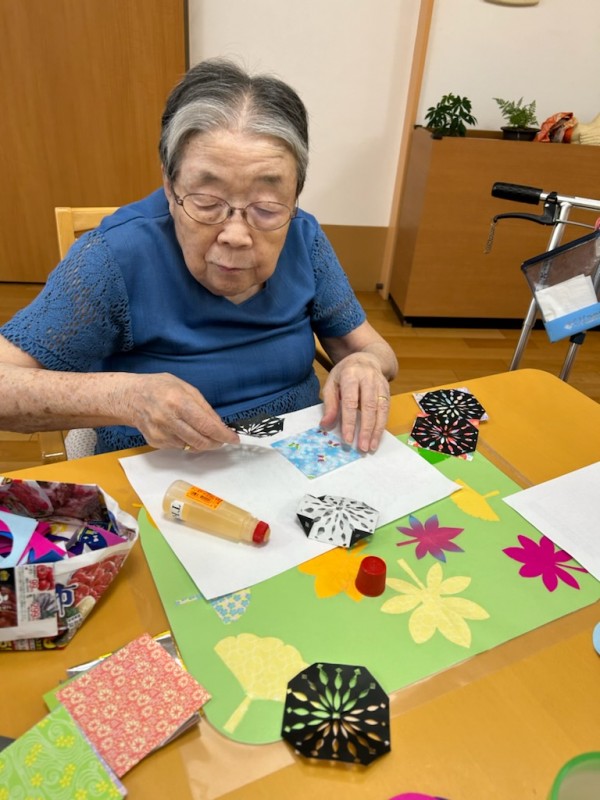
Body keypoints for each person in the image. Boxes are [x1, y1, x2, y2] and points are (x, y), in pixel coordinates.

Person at [0, 58, 397, 456]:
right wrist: (126, 396)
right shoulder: (113, 257)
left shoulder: (303, 237)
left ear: (295, 196)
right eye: (207, 201)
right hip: (160, 470)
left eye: (267, 206)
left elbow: (374, 351)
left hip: (298, 457)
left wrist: (366, 365)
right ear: (170, 185)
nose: (236, 235)